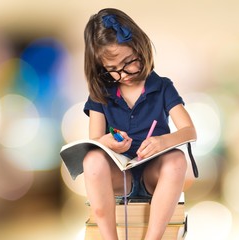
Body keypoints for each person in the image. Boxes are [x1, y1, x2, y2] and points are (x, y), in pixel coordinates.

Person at [82, 8, 197, 240]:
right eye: (112, 70)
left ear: (140, 49)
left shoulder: (162, 87)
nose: (123, 75)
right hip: (118, 176)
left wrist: (163, 141)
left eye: (128, 63)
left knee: (176, 159)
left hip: (154, 174)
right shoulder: (100, 93)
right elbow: (94, 140)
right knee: (92, 159)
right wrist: (107, 143)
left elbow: (189, 131)